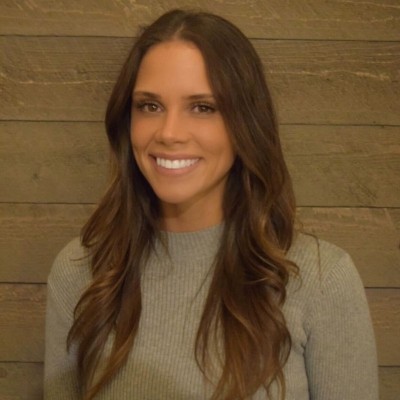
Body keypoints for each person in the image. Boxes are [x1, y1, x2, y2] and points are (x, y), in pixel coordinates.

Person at [44, 9, 378, 400]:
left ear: (245, 125)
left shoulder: (322, 281)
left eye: (203, 107)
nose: (169, 133)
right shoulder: (80, 273)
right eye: (150, 106)